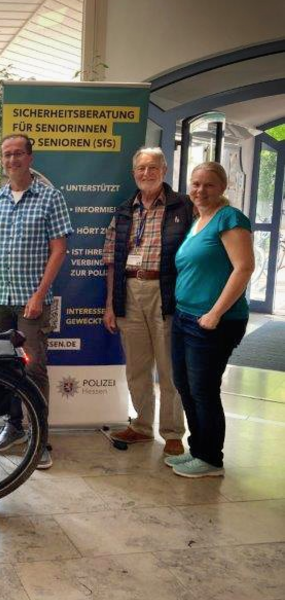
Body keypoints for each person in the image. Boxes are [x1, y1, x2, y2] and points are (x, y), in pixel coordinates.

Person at [0, 134, 73, 469]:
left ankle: (39, 438)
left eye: (18, 154)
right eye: (7, 154)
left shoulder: (49, 198)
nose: (12, 160)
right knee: (4, 368)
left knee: (32, 369)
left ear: (30, 158)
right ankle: (13, 427)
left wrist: (40, 294)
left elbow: (59, 250)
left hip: (31, 301)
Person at [102, 147, 193, 457]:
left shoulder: (184, 207)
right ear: (134, 173)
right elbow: (112, 260)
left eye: (152, 167)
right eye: (141, 168)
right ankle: (141, 426)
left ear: (164, 171)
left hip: (166, 291)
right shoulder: (125, 210)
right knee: (137, 367)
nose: (146, 173)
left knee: (169, 369)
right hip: (129, 290)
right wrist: (110, 304)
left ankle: (172, 433)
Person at [166, 161, 254, 478]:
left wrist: (215, 313)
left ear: (222, 188)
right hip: (185, 317)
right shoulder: (197, 220)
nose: (200, 190)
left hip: (215, 321)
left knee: (204, 389)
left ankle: (211, 459)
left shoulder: (229, 218)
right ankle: (198, 449)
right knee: (185, 385)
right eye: (195, 184)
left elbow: (244, 268)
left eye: (208, 185)